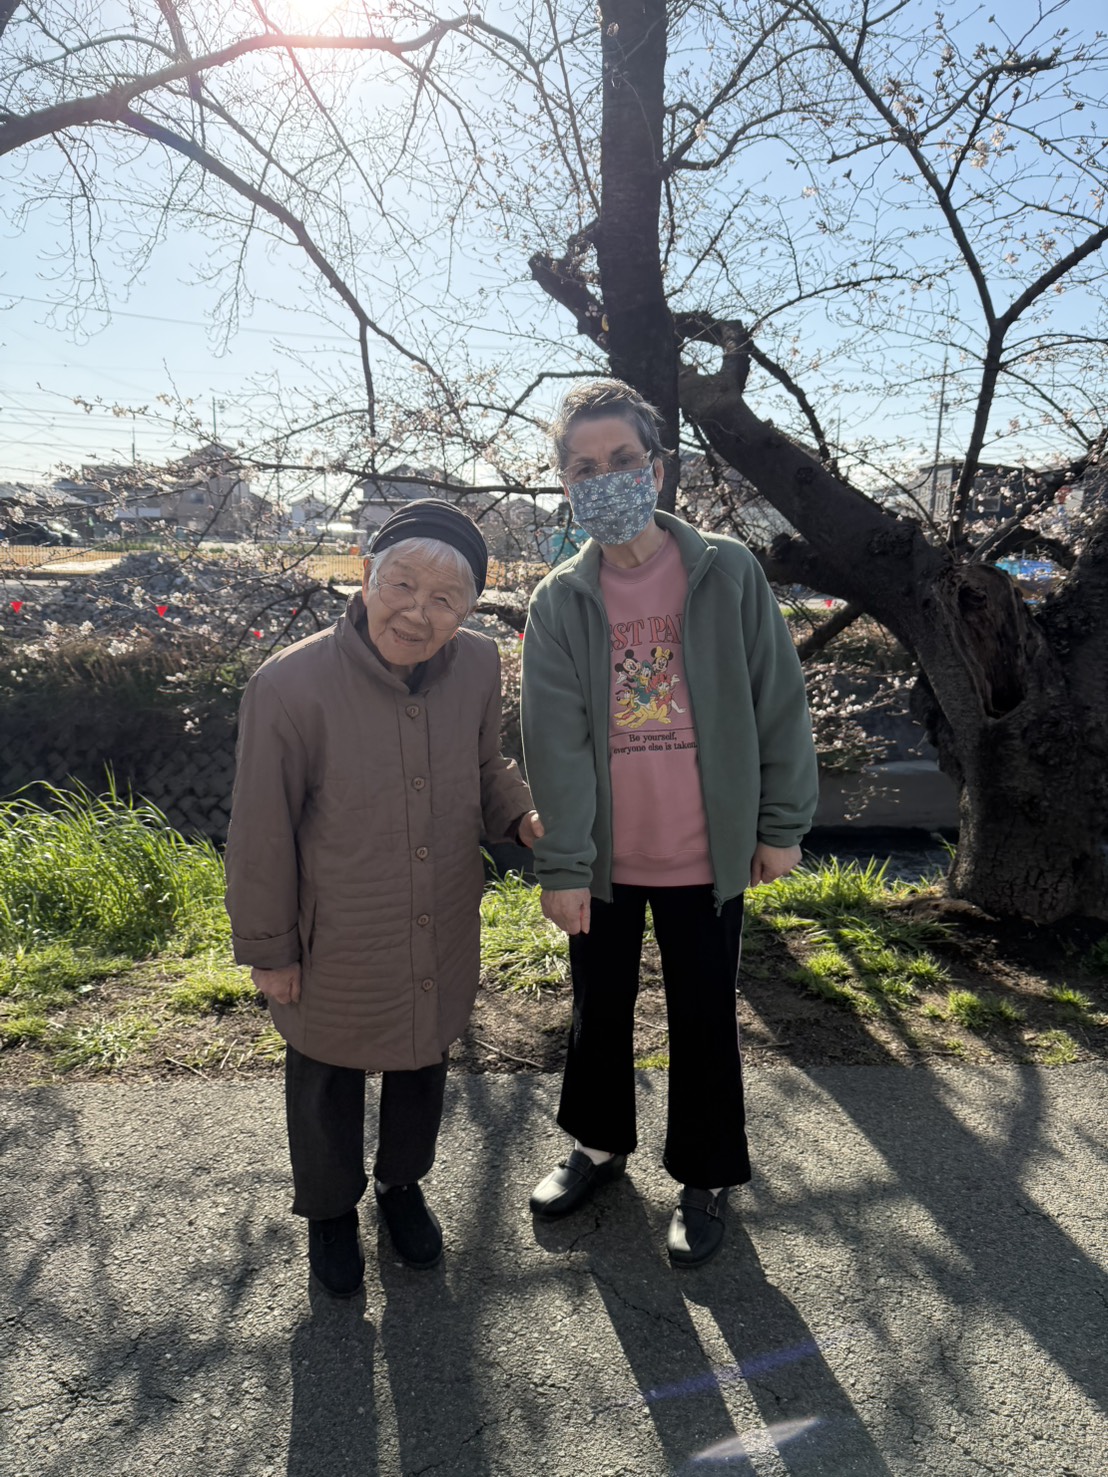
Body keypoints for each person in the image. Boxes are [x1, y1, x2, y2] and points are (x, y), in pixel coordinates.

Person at [521, 380, 818, 1268]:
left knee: (704, 1016)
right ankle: (598, 1144)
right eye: (584, 467)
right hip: (606, 859)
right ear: (566, 485)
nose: (605, 477)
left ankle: (706, 1174)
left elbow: (778, 701)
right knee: (597, 1007)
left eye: (622, 459)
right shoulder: (559, 600)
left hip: (707, 852)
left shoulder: (726, 570)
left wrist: (781, 823)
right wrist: (563, 865)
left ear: (657, 467)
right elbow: (556, 746)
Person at [225, 500, 538, 1296]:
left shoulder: (477, 664)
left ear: (469, 610)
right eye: (401, 585)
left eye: (445, 599)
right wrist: (269, 949)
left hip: (441, 910)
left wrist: (520, 815)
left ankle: (402, 1184)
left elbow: (485, 764)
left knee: (422, 1055)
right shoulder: (290, 685)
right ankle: (330, 1209)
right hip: (336, 925)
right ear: (365, 577)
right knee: (325, 1070)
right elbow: (261, 829)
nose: (418, 612)